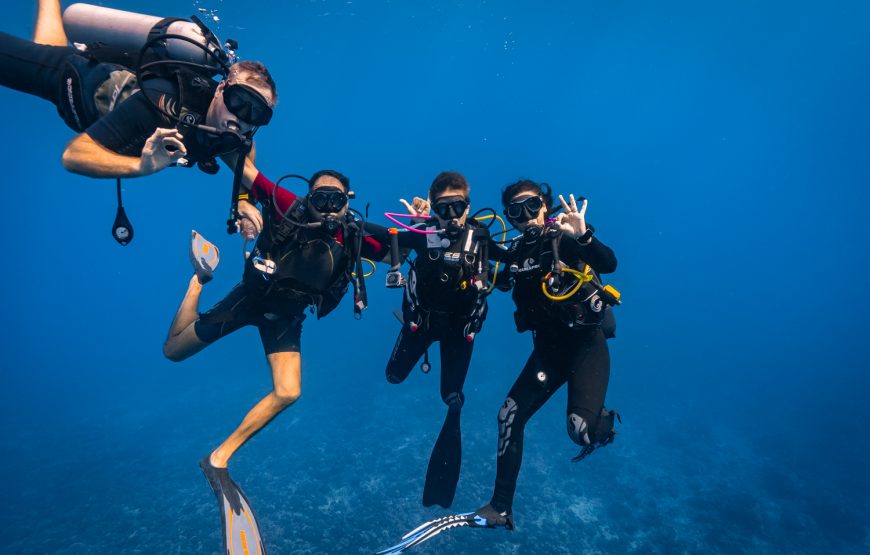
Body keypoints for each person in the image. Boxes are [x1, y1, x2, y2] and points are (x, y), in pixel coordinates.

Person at [376, 179, 621, 554]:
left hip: (586, 347)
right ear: (508, 215)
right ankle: (501, 508)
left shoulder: (565, 240)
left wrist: (584, 235)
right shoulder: (517, 253)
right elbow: (486, 275)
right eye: (515, 210)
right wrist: (429, 232)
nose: (524, 217)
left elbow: (609, 264)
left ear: (545, 206)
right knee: (508, 415)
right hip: (548, 355)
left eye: (531, 206)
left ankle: (601, 422)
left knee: (581, 432)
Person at [163, 169, 388, 552]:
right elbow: (243, 167)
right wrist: (246, 203)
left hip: (286, 318)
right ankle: (200, 278)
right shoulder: (288, 206)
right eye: (321, 198)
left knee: (288, 392)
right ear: (309, 196)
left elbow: (412, 243)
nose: (329, 208)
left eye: (337, 199)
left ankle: (217, 459)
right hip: (250, 301)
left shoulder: (353, 234)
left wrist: (432, 221)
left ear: (349, 199)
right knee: (174, 352)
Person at [0, 1, 277, 230]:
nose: (241, 119)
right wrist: (141, 167)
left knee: (49, 44)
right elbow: (74, 155)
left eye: (257, 115)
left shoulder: (232, 136)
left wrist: (243, 200)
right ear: (220, 90)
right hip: (67, 79)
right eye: (239, 101)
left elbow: (245, 155)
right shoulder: (162, 106)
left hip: (91, 106)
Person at [384, 171, 502, 508]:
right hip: (420, 325)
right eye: (443, 209)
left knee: (452, 397)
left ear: (469, 205)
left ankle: (445, 461)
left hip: (459, 332)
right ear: (433, 208)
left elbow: (514, 262)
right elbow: (379, 240)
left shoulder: (480, 238)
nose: (451, 216)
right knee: (392, 376)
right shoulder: (422, 234)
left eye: (458, 207)